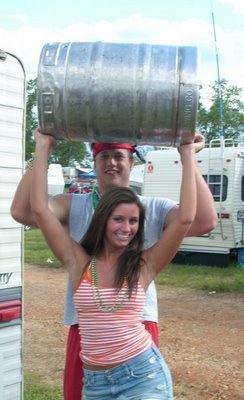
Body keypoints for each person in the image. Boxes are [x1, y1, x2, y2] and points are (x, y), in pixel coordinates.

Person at [11, 129, 217, 400]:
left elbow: (193, 219)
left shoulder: (146, 242)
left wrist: (187, 154)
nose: (128, 227)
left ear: (132, 162)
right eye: (104, 156)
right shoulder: (78, 245)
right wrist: (43, 149)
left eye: (119, 156)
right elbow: (32, 210)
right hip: (90, 343)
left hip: (139, 354)